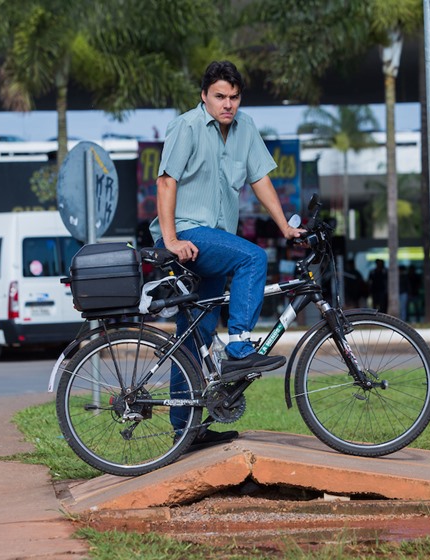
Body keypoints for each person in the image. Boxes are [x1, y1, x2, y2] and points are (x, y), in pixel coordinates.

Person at [150, 61, 304, 447]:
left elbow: (260, 178)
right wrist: (170, 239)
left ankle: (186, 430)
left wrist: (284, 225)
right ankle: (239, 345)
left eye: (234, 97)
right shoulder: (185, 127)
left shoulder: (245, 128)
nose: (228, 104)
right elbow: (166, 181)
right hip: (186, 233)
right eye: (220, 96)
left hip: (214, 241)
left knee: (194, 336)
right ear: (204, 96)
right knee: (252, 258)